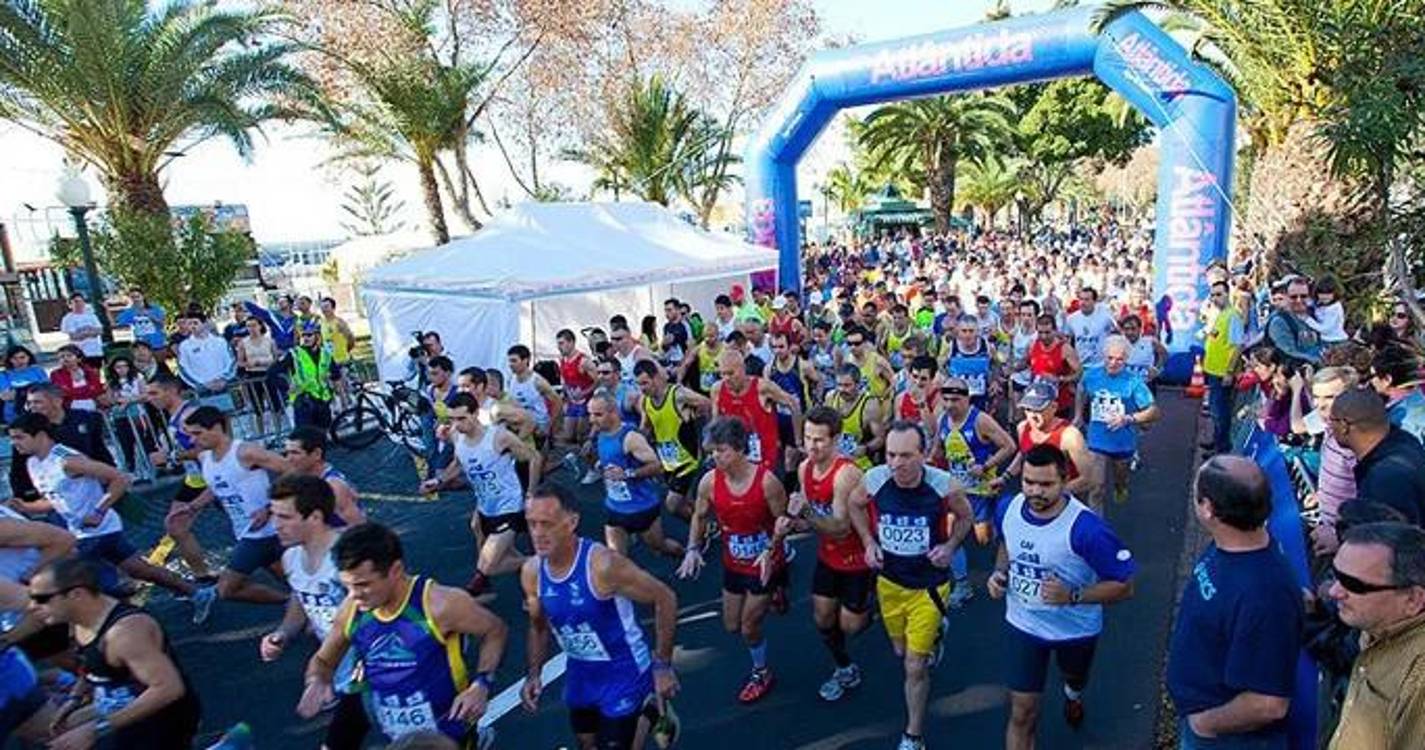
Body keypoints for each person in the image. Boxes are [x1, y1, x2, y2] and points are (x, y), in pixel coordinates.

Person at [299, 522, 506, 747]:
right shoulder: (352, 609)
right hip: (395, 735)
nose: (354, 595)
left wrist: (482, 683)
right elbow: (323, 660)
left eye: (363, 584)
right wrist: (316, 680)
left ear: (396, 570)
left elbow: (495, 630)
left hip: (445, 736)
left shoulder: (440, 605)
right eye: (347, 586)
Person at [987, 444, 1136, 748]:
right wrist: (998, 572)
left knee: (1075, 678)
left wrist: (1073, 594)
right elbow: (1006, 543)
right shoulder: (1008, 508)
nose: (1035, 491)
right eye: (1029, 482)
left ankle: (1073, 694)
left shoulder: (1087, 529)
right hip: (1024, 626)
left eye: (1046, 484)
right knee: (1022, 714)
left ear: (1064, 481)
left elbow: (1125, 585)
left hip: (1075, 630)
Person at [520, 482, 681, 750]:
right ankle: (651, 710)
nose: (537, 533)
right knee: (586, 743)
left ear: (571, 522)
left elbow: (665, 598)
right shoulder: (532, 572)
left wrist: (663, 666)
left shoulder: (603, 566)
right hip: (582, 672)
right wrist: (534, 673)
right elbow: (538, 626)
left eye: (546, 524)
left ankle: (649, 703)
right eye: (532, 524)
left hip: (624, 670)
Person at [7, 412, 215, 613]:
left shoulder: (68, 460)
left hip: (95, 533)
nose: (14, 443)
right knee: (139, 570)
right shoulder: (33, 463)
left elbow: (120, 478)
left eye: (19, 437)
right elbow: (56, 500)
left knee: (75, 583)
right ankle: (197, 593)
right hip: (85, 531)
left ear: (40, 435)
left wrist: (99, 511)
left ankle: (117, 622)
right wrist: (26, 507)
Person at [852, 420, 973, 750]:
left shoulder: (943, 485)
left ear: (924, 455)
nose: (896, 464)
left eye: (905, 456)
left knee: (914, 667)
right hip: (889, 583)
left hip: (928, 586)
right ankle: (936, 633)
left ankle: (913, 735)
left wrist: (949, 548)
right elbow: (854, 504)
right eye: (891, 455)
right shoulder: (875, 479)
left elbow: (966, 516)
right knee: (899, 651)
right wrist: (867, 542)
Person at [1167, 455, 1303, 748]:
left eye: (1196, 493)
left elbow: (1269, 703)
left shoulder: (1265, 595)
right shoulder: (1234, 547)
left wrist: (1206, 726)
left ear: (1208, 509)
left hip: (1226, 737)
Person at [30, 556, 202, 749]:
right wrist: (74, 699)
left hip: (159, 722)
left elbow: (168, 688)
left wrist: (95, 731)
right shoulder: (80, 620)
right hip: (122, 714)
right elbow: (92, 664)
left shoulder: (125, 634)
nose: (32, 607)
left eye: (41, 599)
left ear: (76, 594)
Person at [676, 417, 789, 704]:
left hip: (765, 562)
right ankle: (774, 595)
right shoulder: (709, 482)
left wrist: (773, 548)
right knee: (731, 626)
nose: (716, 457)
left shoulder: (767, 483)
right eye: (712, 451)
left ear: (740, 449)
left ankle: (761, 672)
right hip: (733, 562)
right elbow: (699, 517)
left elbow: (785, 522)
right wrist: (692, 549)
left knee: (749, 627)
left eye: (722, 450)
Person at [261, 474, 369, 750]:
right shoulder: (291, 559)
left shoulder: (350, 557)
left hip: (376, 666)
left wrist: (323, 670)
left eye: (285, 517)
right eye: (274, 515)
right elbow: (301, 600)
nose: (276, 525)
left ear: (315, 517)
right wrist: (283, 633)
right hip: (342, 671)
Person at [782, 406, 873, 702]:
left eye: (819, 440)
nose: (812, 445)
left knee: (851, 625)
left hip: (857, 557)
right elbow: (811, 521)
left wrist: (805, 513)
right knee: (822, 618)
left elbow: (840, 528)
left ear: (835, 440)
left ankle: (877, 605)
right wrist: (789, 523)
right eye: (808, 438)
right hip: (828, 556)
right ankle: (844, 668)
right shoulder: (804, 468)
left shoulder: (845, 474)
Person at [421, 393, 540, 599]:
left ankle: (541, 565)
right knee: (504, 554)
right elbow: (457, 465)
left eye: (461, 418)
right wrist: (438, 482)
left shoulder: (498, 437)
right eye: (452, 419)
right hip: (486, 507)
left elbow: (534, 458)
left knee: (488, 566)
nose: (456, 425)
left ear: (476, 414)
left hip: (509, 507)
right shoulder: (457, 437)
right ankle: (533, 576)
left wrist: (530, 492)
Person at [1326, 522, 1425, 750]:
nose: (1334, 592)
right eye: (1336, 575)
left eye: (1353, 585)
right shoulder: (1375, 627)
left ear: (1412, 600)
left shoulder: (1419, 674)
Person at [185, 405, 292, 604]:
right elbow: (217, 486)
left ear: (216, 428)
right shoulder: (205, 458)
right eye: (190, 435)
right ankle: (305, 605)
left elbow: (290, 470)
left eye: (197, 433)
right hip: (246, 530)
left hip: (262, 534)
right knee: (290, 578)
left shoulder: (245, 452)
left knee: (227, 589)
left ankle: (290, 603)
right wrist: (193, 506)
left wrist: (269, 508)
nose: (193, 440)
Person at [933, 376, 1016, 603]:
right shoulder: (943, 420)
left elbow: (1009, 446)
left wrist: (986, 466)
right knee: (952, 535)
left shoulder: (981, 420)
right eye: (946, 399)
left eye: (955, 400)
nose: (950, 405)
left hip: (981, 490)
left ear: (967, 399)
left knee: (983, 538)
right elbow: (937, 452)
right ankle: (962, 584)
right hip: (956, 491)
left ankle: (1006, 546)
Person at [589, 391, 683, 559]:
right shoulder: (600, 433)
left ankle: (687, 555)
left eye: (598, 414)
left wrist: (628, 473)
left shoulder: (630, 438)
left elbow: (658, 466)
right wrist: (600, 464)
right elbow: (612, 461)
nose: (592, 419)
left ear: (614, 412)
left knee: (659, 546)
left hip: (642, 507)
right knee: (615, 558)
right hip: (615, 507)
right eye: (590, 414)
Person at [144, 374, 219, 580]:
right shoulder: (174, 415)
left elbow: (206, 448)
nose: (149, 398)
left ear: (171, 391)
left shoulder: (190, 415)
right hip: (195, 479)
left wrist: (169, 455)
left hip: (213, 478)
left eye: (154, 393)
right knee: (176, 526)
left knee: (252, 526)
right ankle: (203, 576)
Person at [1076, 336, 1160, 507]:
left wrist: (1129, 418)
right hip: (1096, 438)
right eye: (1110, 358)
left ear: (1126, 360)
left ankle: (1120, 487)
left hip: (1122, 441)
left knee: (1120, 478)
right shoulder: (1091, 375)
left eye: (1119, 359)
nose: (1113, 363)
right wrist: (1078, 414)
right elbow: (1081, 390)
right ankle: (1096, 528)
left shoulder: (1133, 381)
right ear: (1103, 356)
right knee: (1096, 486)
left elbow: (1154, 412)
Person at [1331, 387, 1425, 525]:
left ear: (1344, 426)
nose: (1330, 426)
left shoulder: (1384, 480)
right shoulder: (1405, 440)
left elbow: (1390, 540)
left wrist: (1338, 537)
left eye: (1331, 420)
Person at [635, 359, 709, 520]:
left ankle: (701, 529)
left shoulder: (677, 394)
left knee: (672, 504)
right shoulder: (645, 401)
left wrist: (706, 430)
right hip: (668, 460)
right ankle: (705, 524)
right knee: (686, 500)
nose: (642, 388)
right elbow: (646, 427)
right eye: (639, 384)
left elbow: (707, 403)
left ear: (655, 378)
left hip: (688, 458)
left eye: (645, 383)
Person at [711, 348, 802, 474]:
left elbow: (793, 404)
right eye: (722, 374)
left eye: (731, 373)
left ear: (743, 369)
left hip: (766, 457)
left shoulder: (762, 387)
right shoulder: (717, 389)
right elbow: (716, 424)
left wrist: (797, 439)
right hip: (735, 459)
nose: (726, 378)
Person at [1007, 382, 1094, 498]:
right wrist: (1004, 477)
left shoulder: (1070, 436)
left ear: (1054, 407)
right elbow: (1023, 453)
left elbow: (1088, 478)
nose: (1032, 415)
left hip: (1065, 498)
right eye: (1028, 409)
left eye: (1038, 409)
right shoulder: (1022, 428)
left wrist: (1054, 494)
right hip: (1034, 495)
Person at [285, 426, 366, 526]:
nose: (288, 459)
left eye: (295, 453)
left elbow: (360, 529)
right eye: (287, 453)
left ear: (317, 454)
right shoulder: (302, 476)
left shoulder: (333, 487)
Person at [1201, 281, 1246, 454]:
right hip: (1214, 370)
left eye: (1219, 294)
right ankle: (1216, 441)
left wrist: (1229, 371)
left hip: (1222, 372)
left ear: (1228, 294)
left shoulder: (1233, 315)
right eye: (1212, 295)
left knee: (1221, 412)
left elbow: (1237, 346)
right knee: (1215, 410)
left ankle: (1221, 448)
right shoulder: (1222, 314)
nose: (1214, 298)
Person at [827, 364, 885, 470]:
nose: (841, 389)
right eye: (839, 385)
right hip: (833, 459)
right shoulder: (830, 398)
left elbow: (880, 438)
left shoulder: (870, 405)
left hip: (858, 462)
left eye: (847, 385)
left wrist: (866, 448)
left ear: (858, 384)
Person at [176, 310, 237, 401]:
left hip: (224, 386)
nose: (192, 326)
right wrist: (202, 384)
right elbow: (184, 369)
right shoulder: (184, 346)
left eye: (195, 323)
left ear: (204, 324)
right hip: (202, 391)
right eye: (189, 324)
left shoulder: (220, 341)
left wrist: (224, 379)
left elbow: (231, 361)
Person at [507, 344, 562, 443]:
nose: (510, 364)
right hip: (519, 423)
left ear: (525, 360)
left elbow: (558, 402)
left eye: (514, 361)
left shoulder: (537, 382)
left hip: (537, 427)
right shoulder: (511, 380)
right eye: (509, 361)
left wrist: (549, 426)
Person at [1265, 276, 1323, 365]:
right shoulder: (1279, 321)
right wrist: (1318, 361)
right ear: (1286, 297)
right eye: (1293, 297)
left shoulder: (1314, 314)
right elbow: (1289, 354)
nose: (1299, 300)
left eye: (1303, 296)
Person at [290, 321, 335, 430]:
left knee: (322, 433)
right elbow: (273, 373)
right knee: (305, 435)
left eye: (309, 335)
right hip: (303, 400)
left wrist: (337, 395)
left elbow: (336, 374)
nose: (306, 338)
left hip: (322, 399)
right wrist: (286, 386)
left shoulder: (326, 354)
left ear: (317, 336)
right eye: (303, 335)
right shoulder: (295, 353)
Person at [557, 328, 598, 446]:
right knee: (568, 436)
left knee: (581, 436)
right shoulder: (562, 360)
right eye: (558, 344)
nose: (559, 347)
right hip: (572, 402)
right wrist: (565, 393)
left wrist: (585, 392)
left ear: (571, 343)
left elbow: (599, 381)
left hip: (586, 402)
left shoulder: (584, 361)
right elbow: (564, 379)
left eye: (561, 343)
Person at [1063, 288, 1116, 368]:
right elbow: (1067, 340)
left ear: (1094, 301)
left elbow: (1116, 333)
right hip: (1080, 366)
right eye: (1081, 299)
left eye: (1087, 299)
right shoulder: (1072, 319)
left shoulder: (1106, 317)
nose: (1083, 303)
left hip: (1100, 365)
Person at [0, 344, 49, 424]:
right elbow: (7, 396)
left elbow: (48, 389)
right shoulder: (4, 375)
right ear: (9, 360)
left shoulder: (37, 370)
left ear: (29, 357)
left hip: (40, 412)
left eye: (22, 357)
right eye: (14, 358)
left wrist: (19, 392)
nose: (19, 361)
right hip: (14, 415)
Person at [49, 344, 106, 411]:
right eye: (62, 357)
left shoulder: (90, 371)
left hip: (93, 406)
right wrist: (85, 392)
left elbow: (97, 391)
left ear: (79, 358)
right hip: (69, 408)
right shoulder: (56, 374)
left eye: (69, 356)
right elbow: (62, 394)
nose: (65, 358)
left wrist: (76, 393)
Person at [60, 293, 105, 367]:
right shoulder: (68, 319)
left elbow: (100, 330)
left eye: (81, 301)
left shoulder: (92, 316)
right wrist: (90, 331)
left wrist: (83, 332)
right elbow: (74, 336)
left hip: (95, 351)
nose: (79, 304)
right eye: (76, 302)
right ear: (70, 304)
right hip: (80, 353)